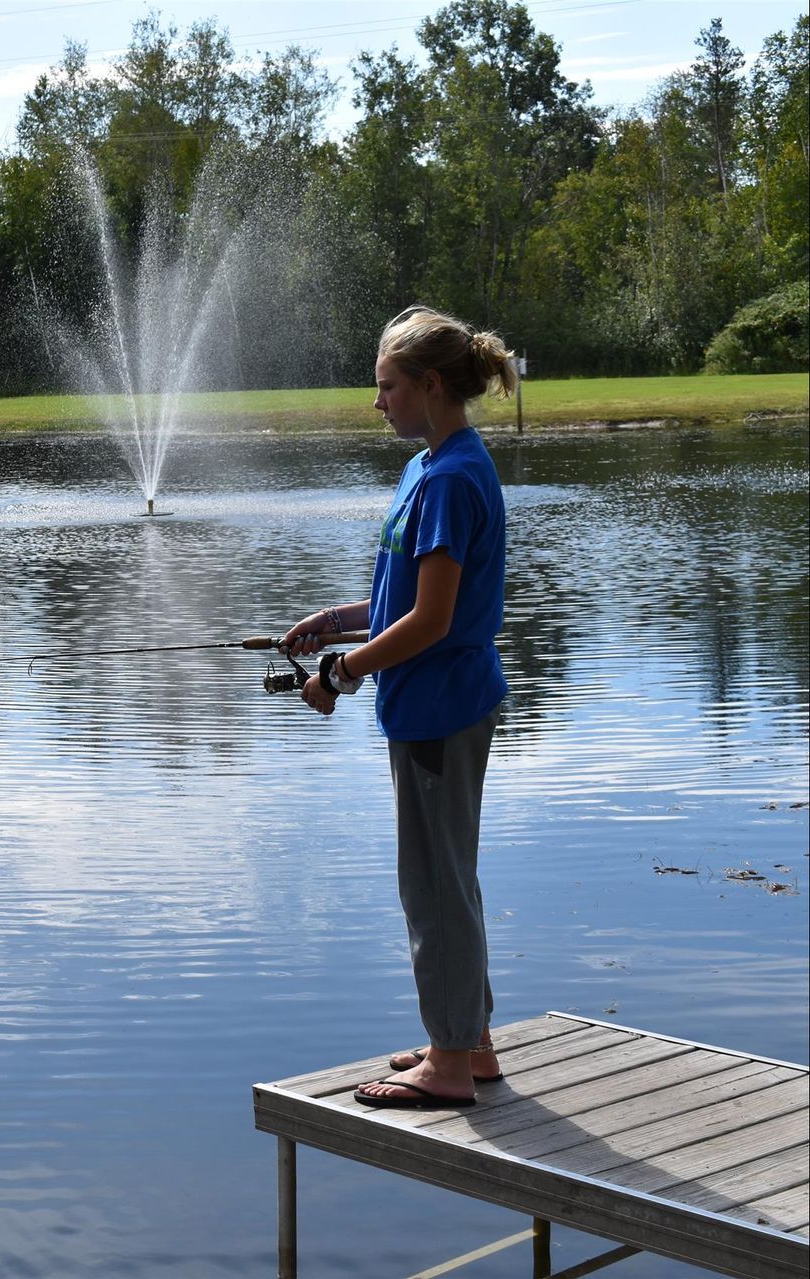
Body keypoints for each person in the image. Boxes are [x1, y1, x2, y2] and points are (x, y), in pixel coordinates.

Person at [281, 305, 516, 1109]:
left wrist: (339, 674)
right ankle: (468, 1040)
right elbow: (406, 599)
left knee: (433, 882)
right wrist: (339, 621)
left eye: (387, 386)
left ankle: (450, 1064)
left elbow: (435, 621)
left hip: (440, 707)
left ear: (430, 384)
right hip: (434, 701)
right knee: (447, 874)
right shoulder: (432, 464)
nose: (376, 401)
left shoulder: (449, 477)